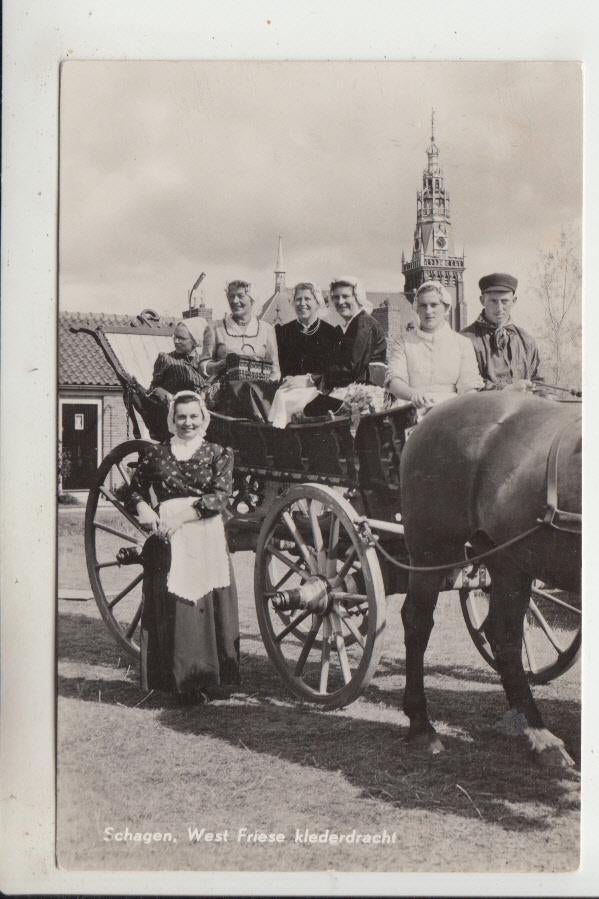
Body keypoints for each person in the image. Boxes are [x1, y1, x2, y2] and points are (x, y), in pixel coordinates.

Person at [125, 391, 240, 703]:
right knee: (178, 608)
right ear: (172, 420)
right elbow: (132, 490)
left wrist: (185, 517)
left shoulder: (218, 453)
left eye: (194, 416)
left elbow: (220, 496)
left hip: (204, 532)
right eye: (181, 417)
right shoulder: (157, 454)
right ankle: (181, 684)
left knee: (207, 604)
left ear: (204, 419)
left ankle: (212, 680)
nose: (188, 422)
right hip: (169, 538)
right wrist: (145, 510)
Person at [386, 280, 483, 411]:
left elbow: (469, 385)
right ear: (416, 309)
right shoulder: (403, 342)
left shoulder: (462, 344)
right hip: (412, 407)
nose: (428, 311)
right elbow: (394, 380)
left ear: (446, 307)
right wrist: (413, 395)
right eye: (423, 305)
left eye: (434, 305)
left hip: (450, 410)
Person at [303, 276, 387, 417]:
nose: (340, 302)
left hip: (364, 390)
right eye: (336, 297)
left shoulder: (363, 324)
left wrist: (316, 378)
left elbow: (351, 368)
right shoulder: (354, 324)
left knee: (306, 408)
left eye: (345, 296)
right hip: (357, 385)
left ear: (357, 298)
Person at [200, 280, 280, 420]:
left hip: (260, 398)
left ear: (252, 299)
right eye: (231, 296)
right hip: (224, 400)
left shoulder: (267, 329)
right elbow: (203, 366)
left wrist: (267, 388)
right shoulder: (215, 328)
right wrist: (225, 363)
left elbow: (275, 369)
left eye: (240, 296)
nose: (235, 301)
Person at [267, 281, 339, 428]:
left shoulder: (331, 334)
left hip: (318, 392)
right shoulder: (282, 332)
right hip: (287, 390)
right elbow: (274, 365)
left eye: (307, 299)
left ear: (317, 302)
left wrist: (309, 379)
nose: (302, 303)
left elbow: (334, 370)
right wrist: (282, 377)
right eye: (298, 299)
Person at [460, 272, 542, 389]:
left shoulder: (527, 341)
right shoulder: (464, 340)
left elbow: (538, 382)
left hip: (523, 406)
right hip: (482, 407)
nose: (499, 308)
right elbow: (468, 386)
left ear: (514, 301)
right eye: (493, 301)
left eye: (504, 301)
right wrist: (507, 390)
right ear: (482, 300)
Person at [148, 318, 207, 402]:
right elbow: (153, 387)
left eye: (181, 338)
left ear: (195, 341)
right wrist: (164, 394)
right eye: (175, 337)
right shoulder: (166, 359)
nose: (176, 341)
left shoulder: (203, 362)